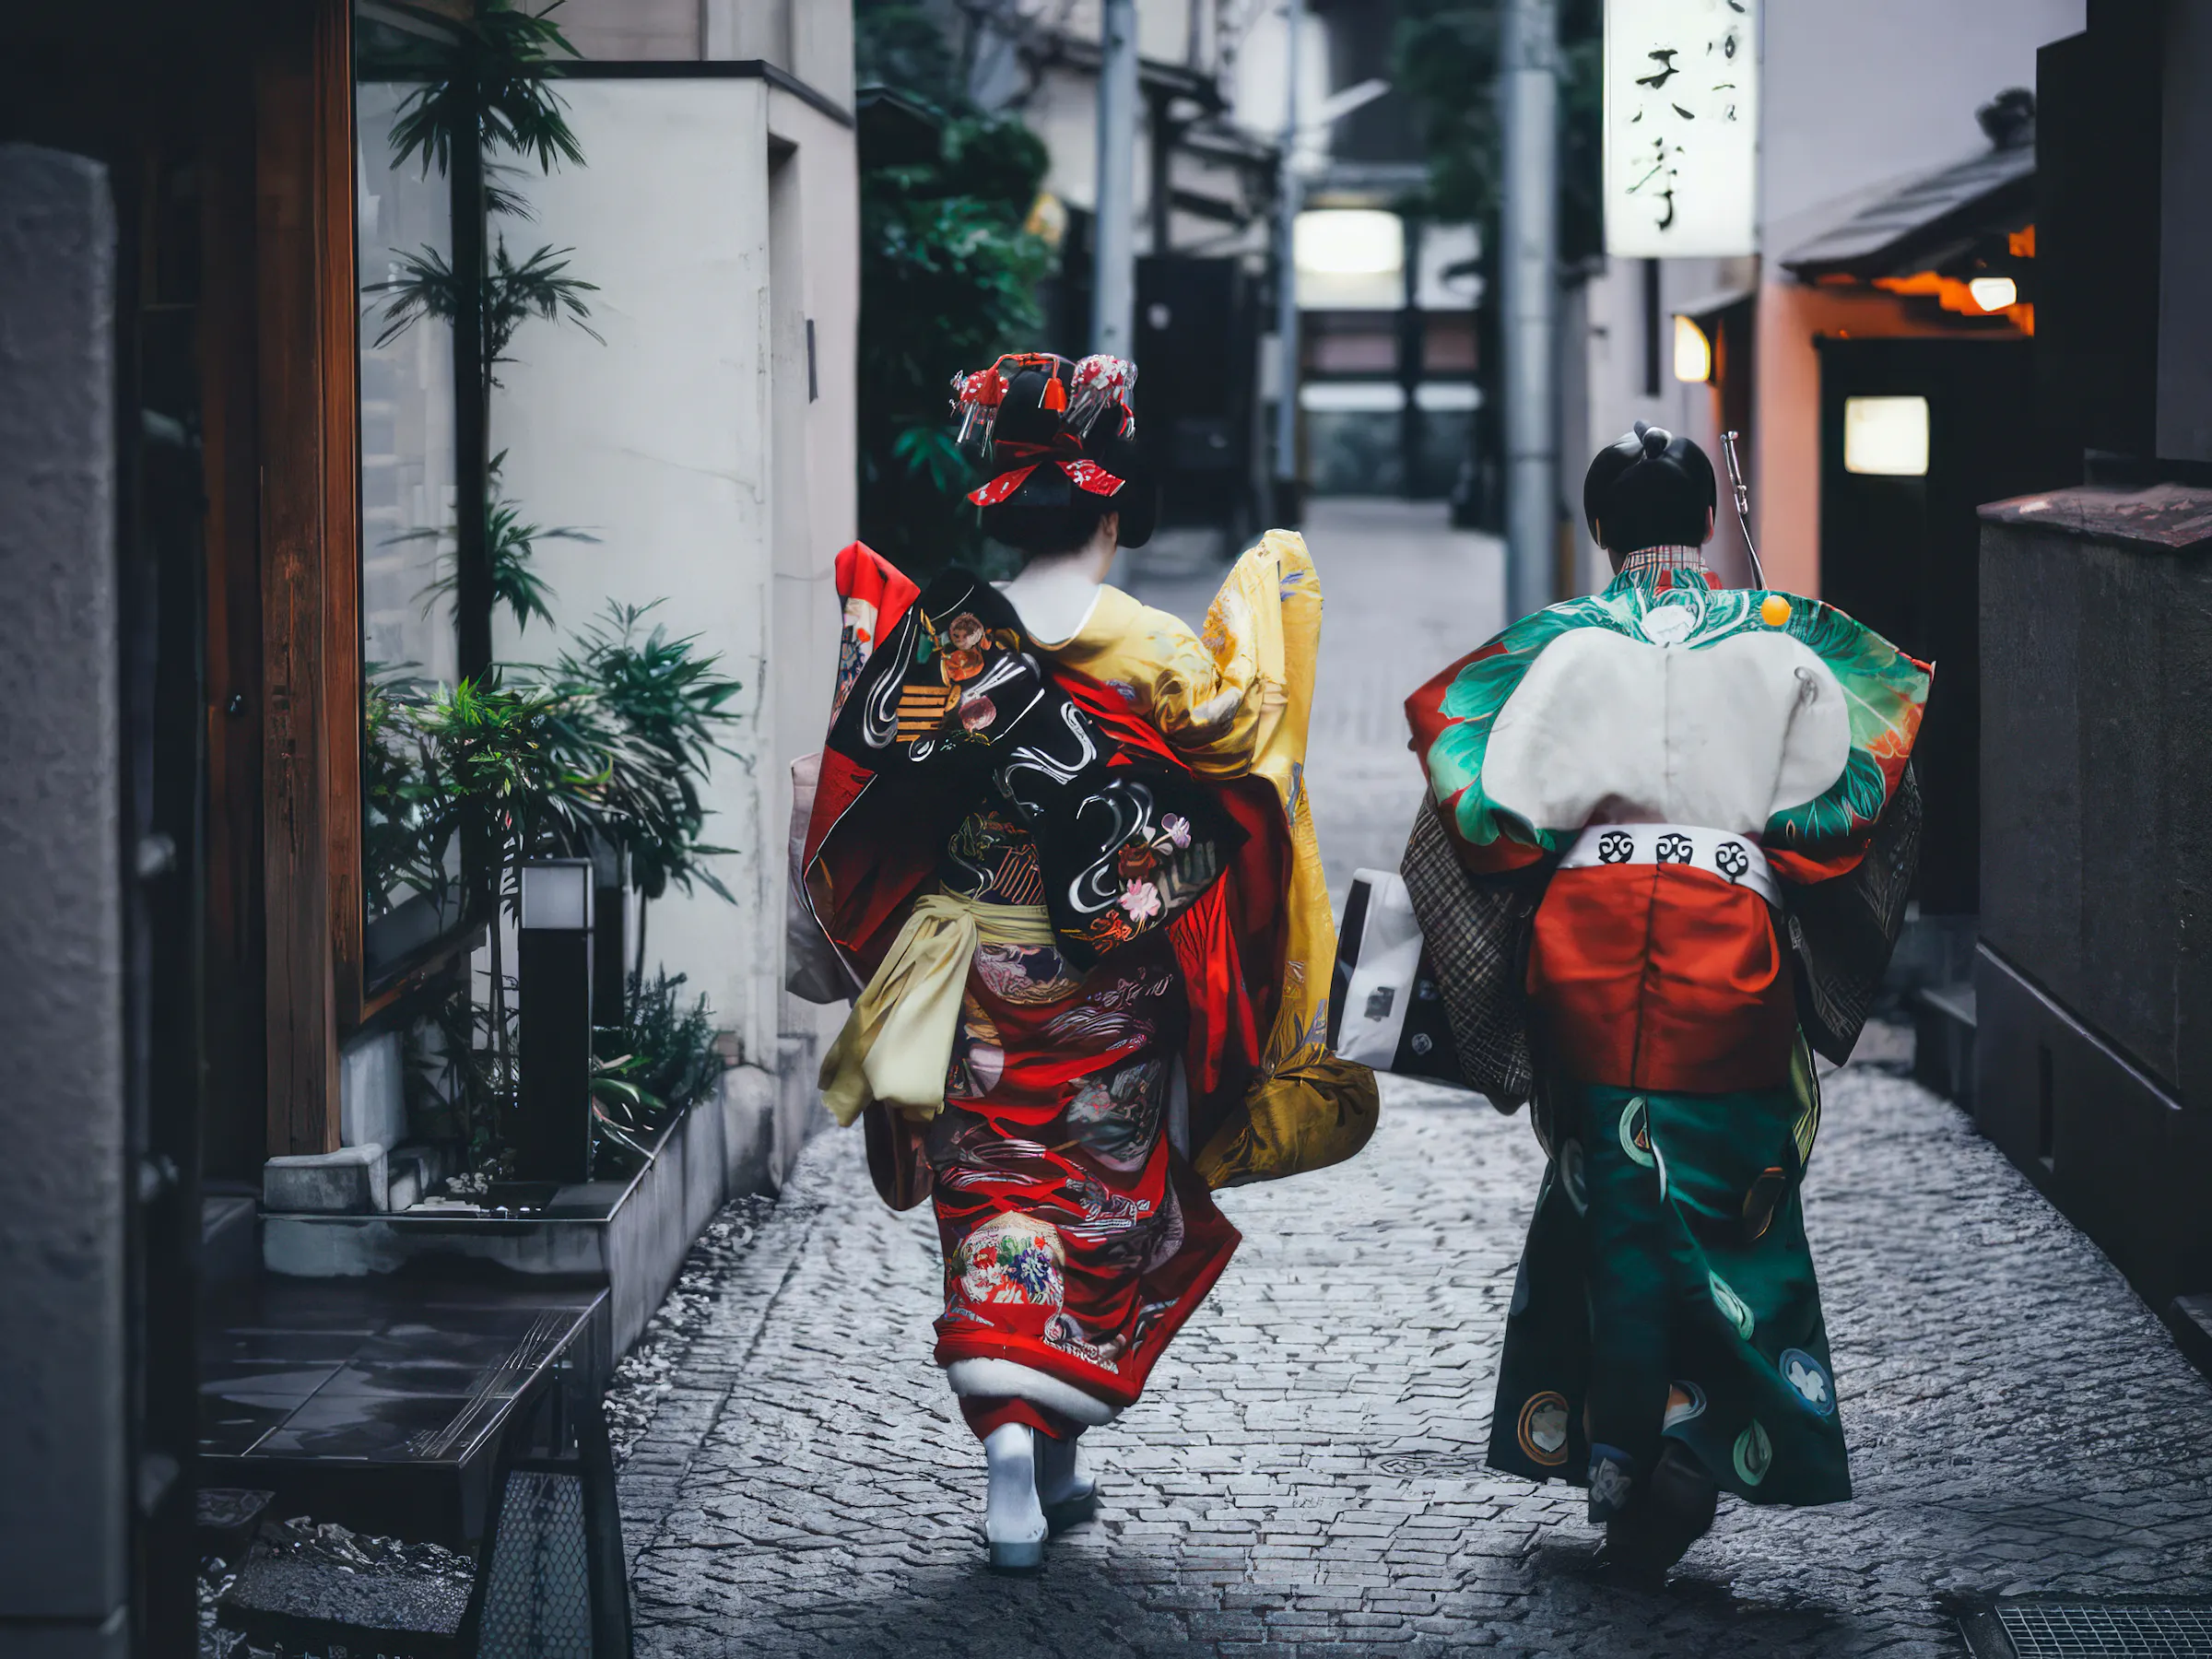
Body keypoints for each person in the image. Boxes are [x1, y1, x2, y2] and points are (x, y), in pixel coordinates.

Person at [790, 352, 1378, 1571]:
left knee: (998, 1190)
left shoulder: (945, 645)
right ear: (1112, 510)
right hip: (1112, 983)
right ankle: (1042, 1443)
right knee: (1099, 1196)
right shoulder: (1153, 649)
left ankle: (1028, 1455)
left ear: (1003, 509)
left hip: (970, 978)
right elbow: (1242, 766)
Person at [1396, 423, 1929, 1580]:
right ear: (1702, 527)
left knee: (1610, 1183)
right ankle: (1707, 1439)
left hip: (1586, 941)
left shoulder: (1563, 646)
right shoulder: (1785, 640)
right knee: (1735, 1193)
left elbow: (1485, 809)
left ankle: (1620, 1444)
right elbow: (1849, 806)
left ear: (1599, 530)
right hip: (1727, 932)